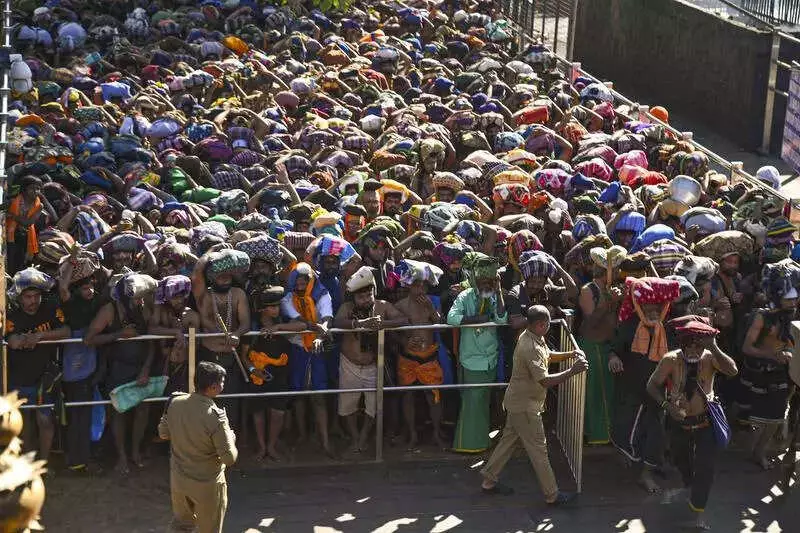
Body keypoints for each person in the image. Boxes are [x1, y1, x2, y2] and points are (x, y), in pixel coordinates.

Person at [480, 305, 587, 505]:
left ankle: (489, 480)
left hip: (518, 402)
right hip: (525, 407)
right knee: (538, 450)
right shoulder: (530, 346)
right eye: (547, 323)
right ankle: (552, 495)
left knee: (508, 441)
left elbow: (547, 355)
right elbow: (545, 380)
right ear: (541, 324)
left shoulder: (531, 336)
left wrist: (570, 354)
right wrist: (574, 370)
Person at [647, 319, 737, 530]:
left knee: (705, 469)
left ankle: (698, 511)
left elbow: (733, 371)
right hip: (680, 424)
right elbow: (652, 385)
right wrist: (667, 406)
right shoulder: (671, 359)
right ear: (683, 344)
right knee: (682, 462)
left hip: (705, 423)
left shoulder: (710, 357)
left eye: (699, 345)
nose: (695, 350)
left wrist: (713, 346)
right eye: (691, 346)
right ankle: (689, 482)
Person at [610, 276, 680, 493]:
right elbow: (614, 348)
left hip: (658, 393)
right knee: (627, 428)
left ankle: (646, 474)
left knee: (656, 433)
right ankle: (628, 456)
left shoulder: (669, 329)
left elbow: (678, 358)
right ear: (639, 305)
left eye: (658, 306)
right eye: (648, 305)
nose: (653, 310)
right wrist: (613, 358)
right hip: (631, 389)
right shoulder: (629, 326)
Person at [85, 272, 157, 474]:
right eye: (135, 298)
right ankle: (122, 457)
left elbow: (151, 342)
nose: (139, 301)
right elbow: (89, 339)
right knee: (119, 412)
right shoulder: (110, 310)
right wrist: (118, 335)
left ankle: (135, 452)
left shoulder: (143, 309)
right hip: (116, 368)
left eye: (140, 297)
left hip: (140, 367)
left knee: (142, 410)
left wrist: (146, 369)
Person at [333, 267, 408, 452]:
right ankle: (355, 438)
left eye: (369, 295)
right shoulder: (346, 308)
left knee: (373, 406)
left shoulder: (382, 306)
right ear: (354, 298)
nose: (366, 300)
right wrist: (359, 324)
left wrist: (383, 324)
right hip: (349, 364)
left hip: (374, 364)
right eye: (361, 297)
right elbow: (337, 322)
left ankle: (364, 436)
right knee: (347, 405)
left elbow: (403, 320)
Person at [158, 361, 237, 533]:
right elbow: (229, 458)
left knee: (181, 526)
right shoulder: (215, 417)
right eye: (222, 382)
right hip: (207, 485)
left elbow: (163, 433)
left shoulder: (175, 402)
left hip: (179, 481)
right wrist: (231, 436)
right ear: (214, 387)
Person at [5, 267, 70, 461]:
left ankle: (43, 463)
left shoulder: (50, 308)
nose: (33, 301)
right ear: (19, 297)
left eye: (36, 296)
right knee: (24, 426)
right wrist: (18, 340)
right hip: (18, 378)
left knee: (45, 421)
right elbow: (12, 340)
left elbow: (66, 331)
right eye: (28, 297)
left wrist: (40, 336)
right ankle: (27, 465)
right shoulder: (11, 314)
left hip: (44, 378)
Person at [447, 252, 507, 453]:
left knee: (482, 402)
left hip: (490, 358)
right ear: (474, 280)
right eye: (482, 281)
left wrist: (498, 292)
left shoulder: (493, 295)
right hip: (472, 359)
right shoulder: (465, 296)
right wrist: (479, 320)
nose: (485, 285)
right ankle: (467, 445)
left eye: (489, 281)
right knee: (472, 403)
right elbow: (452, 319)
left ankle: (481, 442)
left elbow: (501, 319)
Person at [241, 286, 305, 462]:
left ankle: (272, 446)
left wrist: (278, 327)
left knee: (278, 412)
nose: (276, 309)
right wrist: (254, 370)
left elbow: (302, 325)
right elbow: (244, 356)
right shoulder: (253, 326)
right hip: (258, 376)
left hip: (281, 374)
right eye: (272, 306)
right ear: (262, 308)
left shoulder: (283, 320)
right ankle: (262, 447)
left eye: (277, 306)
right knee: (258, 412)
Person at [281, 262, 335, 456]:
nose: (301, 285)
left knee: (319, 397)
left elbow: (327, 318)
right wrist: (317, 328)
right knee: (298, 396)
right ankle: (302, 435)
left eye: (305, 281)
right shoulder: (288, 298)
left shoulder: (322, 294)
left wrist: (321, 334)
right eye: (298, 282)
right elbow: (297, 320)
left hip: (318, 351)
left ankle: (325, 441)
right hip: (297, 349)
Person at [58, 250, 104, 472]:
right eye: (85, 287)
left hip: (89, 360)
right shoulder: (72, 302)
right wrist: (71, 262)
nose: (90, 290)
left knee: (85, 414)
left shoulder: (94, 303)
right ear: (78, 290)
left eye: (92, 287)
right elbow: (63, 288)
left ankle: (80, 458)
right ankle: (78, 461)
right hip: (74, 362)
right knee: (78, 415)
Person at [394, 259, 447, 448]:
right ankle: (412, 434)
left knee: (434, 397)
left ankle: (436, 432)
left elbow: (440, 327)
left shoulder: (433, 302)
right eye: (416, 285)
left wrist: (431, 310)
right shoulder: (400, 306)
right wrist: (406, 341)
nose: (420, 290)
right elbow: (394, 335)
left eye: (423, 285)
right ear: (409, 286)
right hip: (407, 358)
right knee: (407, 397)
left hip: (429, 357)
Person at [577, 246, 626, 444]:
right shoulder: (589, 290)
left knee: (611, 394)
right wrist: (608, 302)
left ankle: (611, 436)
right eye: (615, 269)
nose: (618, 273)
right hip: (593, 347)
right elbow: (589, 325)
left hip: (609, 347)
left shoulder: (615, 289)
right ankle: (596, 436)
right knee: (595, 394)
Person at [149, 275, 199, 394]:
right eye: (175, 297)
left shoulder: (191, 315)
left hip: (184, 367)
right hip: (161, 364)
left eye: (181, 296)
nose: (179, 300)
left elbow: (195, 346)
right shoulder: (160, 311)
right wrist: (175, 332)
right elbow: (151, 329)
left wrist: (181, 331)